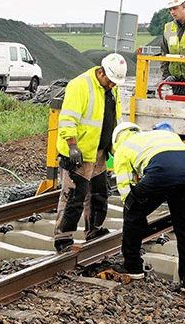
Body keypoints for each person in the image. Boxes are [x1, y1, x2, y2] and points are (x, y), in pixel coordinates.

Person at [110, 121, 185, 294]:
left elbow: (125, 187)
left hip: (161, 172)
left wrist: (134, 208)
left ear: (116, 140)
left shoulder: (123, 147)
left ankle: (133, 267)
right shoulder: (162, 136)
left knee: (132, 213)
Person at [53, 53, 127, 252]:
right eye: (110, 81)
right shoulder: (80, 85)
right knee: (74, 196)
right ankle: (63, 238)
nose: (112, 85)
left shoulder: (112, 89)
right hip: (79, 153)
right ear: (101, 72)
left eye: (114, 83)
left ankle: (94, 230)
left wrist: (115, 145)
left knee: (99, 194)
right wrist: (72, 145)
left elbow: (113, 118)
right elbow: (68, 118)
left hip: (100, 152)